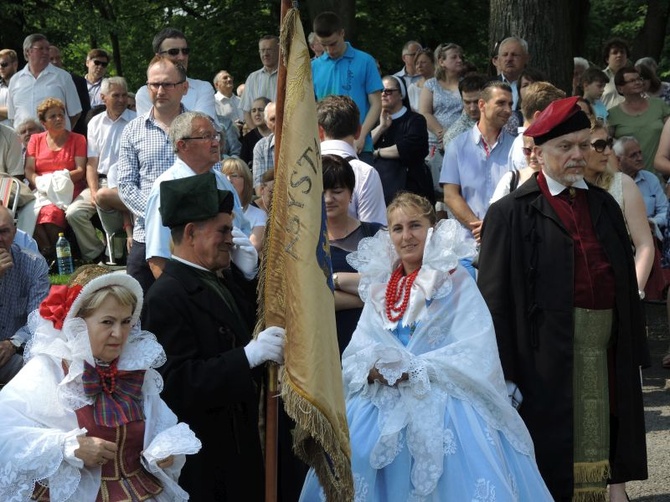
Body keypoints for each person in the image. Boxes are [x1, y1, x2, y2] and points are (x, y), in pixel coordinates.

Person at [300, 192, 552, 500]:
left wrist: (414, 368)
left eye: (415, 225)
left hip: (443, 400)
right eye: (397, 228)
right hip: (382, 401)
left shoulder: (454, 279)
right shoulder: (384, 286)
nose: (406, 236)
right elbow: (358, 349)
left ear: (431, 229)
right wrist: (371, 369)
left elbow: (474, 347)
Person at [478, 96, 648, 501]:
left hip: (604, 352)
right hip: (544, 360)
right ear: (538, 153)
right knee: (550, 464)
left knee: (604, 447)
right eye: (565, 147)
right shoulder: (510, 213)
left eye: (583, 145)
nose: (578, 156)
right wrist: (502, 374)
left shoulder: (603, 204)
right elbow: (494, 302)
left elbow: (623, 283)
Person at [0, 265, 201, 500]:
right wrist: (68, 447)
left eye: (126, 321)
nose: (119, 333)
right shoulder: (50, 370)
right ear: (79, 324)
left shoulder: (135, 370)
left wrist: (164, 449)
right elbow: (6, 433)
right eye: (107, 322)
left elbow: (160, 423)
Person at [143, 173, 285, 500]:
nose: (231, 239)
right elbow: (175, 383)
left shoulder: (215, 278)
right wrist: (245, 358)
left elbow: (241, 324)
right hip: (209, 459)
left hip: (238, 443)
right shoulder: (167, 296)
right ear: (191, 233)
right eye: (223, 230)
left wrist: (248, 277)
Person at [143, 111, 247, 280]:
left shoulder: (222, 181)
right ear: (183, 145)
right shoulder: (168, 188)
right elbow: (158, 258)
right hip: (187, 290)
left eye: (216, 136)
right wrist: (181, 299)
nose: (216, 143)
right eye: (207, 137)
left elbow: (242, 229)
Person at [116, 56, 189, 292]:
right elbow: (126, 185)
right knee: (139, 313)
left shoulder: (201, 127)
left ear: (184, 87)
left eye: (167, 84)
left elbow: (214, 175)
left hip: (193, 236)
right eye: (154, 84)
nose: (160, 90)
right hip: (146, 237)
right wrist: (158, 212)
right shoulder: (132, 131)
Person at [440, 81, 514, 256]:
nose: (508, 110)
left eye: (510, 104)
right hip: (466, 245)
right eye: (501, 103)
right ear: (482, 105)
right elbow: (450, 196)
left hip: (507, 241)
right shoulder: (457, 146)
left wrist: (491, 228)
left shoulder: (516, 147)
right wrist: (482, 228)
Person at [322, 154, 382, 354]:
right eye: (322, 192)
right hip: (325, 348)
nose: (329, 199)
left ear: (351, 193)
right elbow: (314, 299)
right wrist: (366, 297)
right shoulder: (306, 243)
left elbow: (391, 289)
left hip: (372, 346)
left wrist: (334, 280)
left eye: (337, 191)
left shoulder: (375, 233)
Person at [584, 124, 654, 296]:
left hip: (620, 289)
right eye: (600, 145)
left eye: (609, 143)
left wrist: (634, 292)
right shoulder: (566, 187)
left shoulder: (623, 184)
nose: (608, 151)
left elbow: (644, 244)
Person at [312, 11, 383, 161]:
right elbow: (311, 108)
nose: (329, 50)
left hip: (359, 145)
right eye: (324, 45)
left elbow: (376, 104)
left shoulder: (365, 61)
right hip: (325, 147)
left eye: (333, 44)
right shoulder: (313, 67)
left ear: (342, 33)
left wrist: (362, 134)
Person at [24, 97, 87, 261]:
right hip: (41, 189)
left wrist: (56, 180)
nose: (59, 119)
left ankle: (57, 257)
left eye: (61, 115)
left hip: (68, 188)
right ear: (43, 122)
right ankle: (49, 253)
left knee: (51, 213)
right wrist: (40, 182)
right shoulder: (35, 140)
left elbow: (80, 170)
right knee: (31, 214)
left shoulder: (78, 139)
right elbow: (29, 169)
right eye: (53, 116)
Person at [86, 76, 137, 260]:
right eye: (116, 95)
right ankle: (97, 253)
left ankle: (118, 246)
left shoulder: (136, 120)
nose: (122, 100)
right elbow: (91, 162)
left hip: (131, 178)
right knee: (76, 213)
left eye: (124, 95)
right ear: (103, 97)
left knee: (106, 197)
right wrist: (92, 190)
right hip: (101, 179)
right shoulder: (94, 123)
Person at [317, 94, 387, 225]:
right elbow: (374, 236)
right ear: (358, 131)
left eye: (337, 191)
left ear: (319, 131)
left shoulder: (302, 170)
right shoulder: (365, 174)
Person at [0, 204, 49, 384]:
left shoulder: (33, 264)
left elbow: (38, 319)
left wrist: (12, 344)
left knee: (44, 372)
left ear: (14, 232)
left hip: (14, 354)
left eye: (4, 231)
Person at [135, 28, 217, 123]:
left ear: (185, 87)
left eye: (185, 51)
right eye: (174, 52)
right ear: (158, 57)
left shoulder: (203, 88)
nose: (181, 57)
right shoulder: (145, 93)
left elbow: (201, 126)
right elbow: (152, 128)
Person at [372, 75, 430, 204]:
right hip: (381, 189)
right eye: (380, 91)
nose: (383, 94)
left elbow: (408, 147)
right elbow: (363, 145)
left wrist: (377, 152)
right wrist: (381, 127)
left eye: (388, 91)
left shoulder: (415, 120)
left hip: (410, 186)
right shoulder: (375, 121)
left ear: (401, 94)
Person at [8, 34, 82, 131]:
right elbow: (13, 117)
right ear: (27, 52)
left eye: (47, 49)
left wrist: (61, 132)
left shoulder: (63, 77)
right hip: (25, 143)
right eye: (41, 49)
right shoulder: (15, 80)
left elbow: (75, 113)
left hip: (55, 142)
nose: (46, 52)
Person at [608, 67, 670, 172]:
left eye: (639, 79)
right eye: (632, 81)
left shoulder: (659, 105)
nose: (637, 82)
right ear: (620, 88)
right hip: (631, 176)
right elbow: (608, 146)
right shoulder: (612, 114)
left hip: (661, 173)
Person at [419, 43, 464, 151]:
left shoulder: (467, 84)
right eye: (454, 57)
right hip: (436, 142)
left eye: (460, 57)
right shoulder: (431, 84)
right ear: (441, 62)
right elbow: (424, 112)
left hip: (462, 139)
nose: (460, 60)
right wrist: (442, 133)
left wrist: (453, 134)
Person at [222, 157, 266, 252]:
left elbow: (252, 250)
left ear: (246, 181)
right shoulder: (214, 212)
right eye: (223, 175)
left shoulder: (259, 215)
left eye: (234, 175)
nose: (229, 180)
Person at [240, 35, 279, 131]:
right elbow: (246, 111)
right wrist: (257, 135)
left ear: (279, 51)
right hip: (260, 136)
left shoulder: (289, 77)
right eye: (262, 50)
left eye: (269, 50)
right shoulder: (252, 78)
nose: (265, 54)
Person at [239, 96, 271, 166]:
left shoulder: (279, 135)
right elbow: (243, 165)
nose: (257, 114)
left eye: (260, 110)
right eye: (253, 111)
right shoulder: (248, 139)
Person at [601, 37, 629, 110]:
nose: (619, 55)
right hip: (605, 119)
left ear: (627, 58)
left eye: (622, 52)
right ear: (607, 59)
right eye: (615, 52)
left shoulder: (634, 78)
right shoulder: (599, 77)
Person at [406, 48, 434, 113]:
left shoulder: (442, 84)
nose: (419, 66)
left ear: (433, 63)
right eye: (417, 63)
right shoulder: (412, 88)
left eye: (423, 62)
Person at [0, 48, 18, 126]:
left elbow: (16, 111)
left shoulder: (23, 85)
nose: (1, 67)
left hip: (19, 134)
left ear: (15, 65)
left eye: (4, 64)